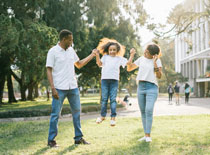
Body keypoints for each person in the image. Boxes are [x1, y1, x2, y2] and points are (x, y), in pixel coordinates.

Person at [46, 29, 97, 147]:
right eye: (70, 39)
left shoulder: (71, 50)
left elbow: (79, 64)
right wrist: (52, 88)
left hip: (73, 87)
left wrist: (92, 55)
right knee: (55, 114)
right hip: (59, 88)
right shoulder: (53, 51)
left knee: (77, 113)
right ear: (64, 39)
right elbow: (48, 69)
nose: (72, 42)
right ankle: (51, 140)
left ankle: (78, 138)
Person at [127, 43, 162, 142]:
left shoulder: (157, 61)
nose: (145, 53)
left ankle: (148, 136)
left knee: (149, 110)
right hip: (141, 87)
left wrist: (154, 63)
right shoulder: (141, 59)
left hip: (152, 87)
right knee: (143, 112)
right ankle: (146, 135)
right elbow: (129, 68)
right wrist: (132, 55)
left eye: (147, 52)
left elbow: (159, 76)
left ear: (153, 55)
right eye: (145, 50)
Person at [95, 38, 131, 126]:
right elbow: (99, 64)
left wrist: (132, 54)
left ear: (117, 50)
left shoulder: (119, 59)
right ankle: (102, 116)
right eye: (110, 50)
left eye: (114, 50)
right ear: (108, 50)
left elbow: (129, 63)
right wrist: (97, 55)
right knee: (104, 99)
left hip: (114, 81)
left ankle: (113, 118)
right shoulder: (105, 57)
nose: (112, 51)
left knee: (113, 99)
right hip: (104, 80)